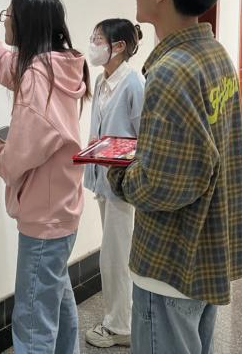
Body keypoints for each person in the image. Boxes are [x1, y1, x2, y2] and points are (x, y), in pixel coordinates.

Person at [107, 0, 242, 354]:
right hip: (205, 246)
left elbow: (164, 183)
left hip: (170, 260)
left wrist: (119, 174)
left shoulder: (171, 70)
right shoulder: (215, 54)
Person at [0, 0, 91, 354]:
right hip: (63, 206)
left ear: (26, 24)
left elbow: (19, 157)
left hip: (45, 214)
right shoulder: (56, 65)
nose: (5, 21)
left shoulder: (37, 78)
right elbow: (5, 62)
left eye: (8, 16)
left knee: (32, 319)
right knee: (56, 298)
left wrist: (0, 153)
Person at [83, 19, 145, 348]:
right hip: (104, 179)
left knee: (116, 256)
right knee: (113, 253)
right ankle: (119, 318)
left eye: (98, 39)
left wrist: (119, 156)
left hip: (124, 184)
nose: (92, 45)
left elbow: (145, 138)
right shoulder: (102, 80)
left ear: (118, 46)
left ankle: (121, 325)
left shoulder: (134, 84)